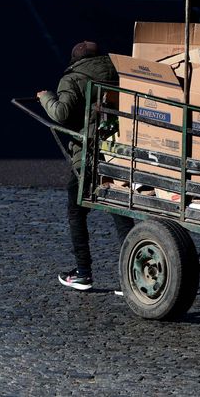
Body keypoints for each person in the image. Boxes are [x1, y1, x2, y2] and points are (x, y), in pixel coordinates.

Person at [37, 41, 135, 291]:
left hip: (89, 156)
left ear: (75, 60)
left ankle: (83, 272)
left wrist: (46, 97)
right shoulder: (117, 72)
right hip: (118, 152)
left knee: (76, 213)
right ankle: (131, 276)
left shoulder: (73, 78)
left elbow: (61, 113)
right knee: (121, 213)